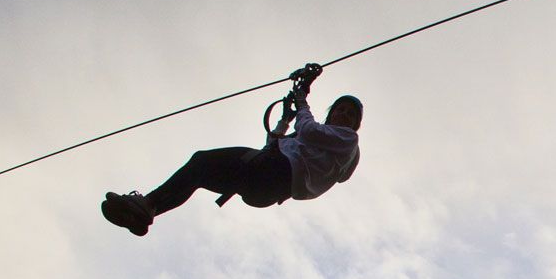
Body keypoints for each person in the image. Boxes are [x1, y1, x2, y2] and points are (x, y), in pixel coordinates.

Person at [101, 63, 361, 236]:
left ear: (355, 125)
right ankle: (147, 209)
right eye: (341, 109)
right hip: (264, 183)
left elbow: (309, 130)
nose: (344, 115)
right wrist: (285, 119)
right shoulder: (314, 145)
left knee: (201, 162)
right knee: (198, 171)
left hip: (272, 175)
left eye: (351, 114)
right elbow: (273, 144)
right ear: (332, 113)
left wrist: (303, 97)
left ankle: (147, 204)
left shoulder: (347, 141)